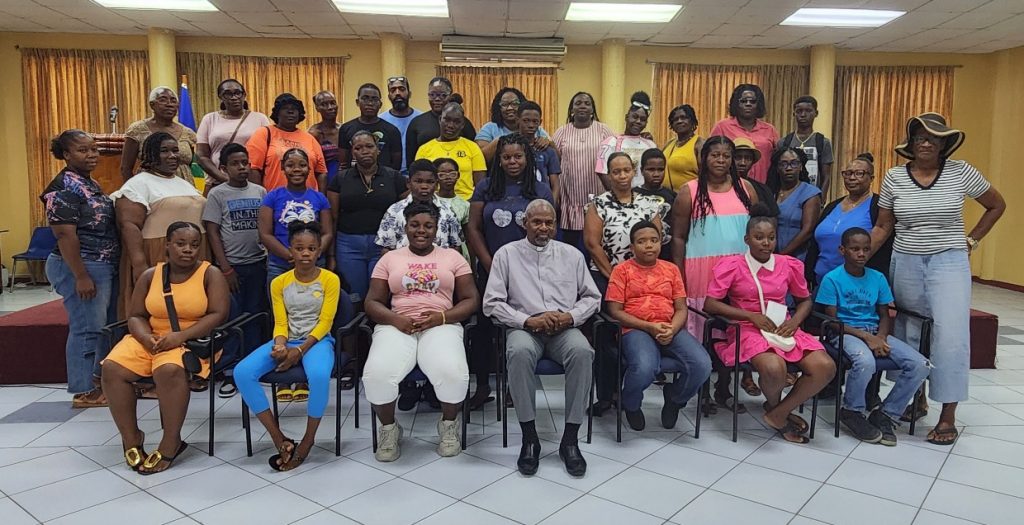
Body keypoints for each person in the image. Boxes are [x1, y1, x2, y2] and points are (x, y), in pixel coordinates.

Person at [871, 113, 1006, 445]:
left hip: (949, 261)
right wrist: (847, 260)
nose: (926, 143)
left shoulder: (961, 171)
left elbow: (996, 205)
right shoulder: (894, 177)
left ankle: (947, 415)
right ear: (911, 143)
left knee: (950, 335)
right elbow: (884, 226)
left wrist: (971, 241)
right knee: (909, 330)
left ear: (944, 144)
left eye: (934, 138)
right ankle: (914, 398)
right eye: (920, 137)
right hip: (905, 259)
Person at [483, 199, 601, 477]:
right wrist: (527, 320)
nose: (543, 228)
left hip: (564, 329)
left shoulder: (571, 255)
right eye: (537, 222)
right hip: (524, 328)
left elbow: (592, 298)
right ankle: (530, 439)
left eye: (549, 222)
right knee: (519, 352)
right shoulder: (506, 255)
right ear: (525, 223)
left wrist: (570, 316)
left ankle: (570, 440)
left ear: (556, 225)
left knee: (583, 352)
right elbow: (492, 303)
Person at [101, 222, 229, 474]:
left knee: (168, 370)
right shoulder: (150, 275)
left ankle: (172, 440)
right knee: (112, 368)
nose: (188, 250)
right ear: (167, 245)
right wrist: (145, 337)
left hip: (192, 340)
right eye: (181, 244)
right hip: (150, 337)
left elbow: (218, 314)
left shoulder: (210, 273)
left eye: (194, 245)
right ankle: (131, 437)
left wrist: (180, 336)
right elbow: (135, 315)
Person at [703, 205, 836, 444]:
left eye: (771, 237)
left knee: (825, 367)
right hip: (746, 328)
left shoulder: (788, 264)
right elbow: (710, 304)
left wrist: (795, 321)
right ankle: (777, 408)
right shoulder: (732, 265)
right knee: (774, 368)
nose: (766, 243)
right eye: (759, 237)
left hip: (782, 326)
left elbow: (805, 300)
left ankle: (778, 412)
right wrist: (749, 316)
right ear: (747, 240)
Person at [363, 202, 479, 461]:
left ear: (437, 228)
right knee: (376, 375)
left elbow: (471, 299)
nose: (421, 231)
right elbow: (371, 302)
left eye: (428, 226)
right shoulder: (390, 259)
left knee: (453, 373)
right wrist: (395, 319)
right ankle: (389, 429)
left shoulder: (453, 257)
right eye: (415, 225)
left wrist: (442, 317)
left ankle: (448, 426)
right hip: (397, 325)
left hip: (441, 324)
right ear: (405, 227)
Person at [234, 220, 341, 471]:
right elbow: (280, 322)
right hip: (287, 338)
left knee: (318, 375)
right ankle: (279, 439)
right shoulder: (279, 282)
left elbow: (326, 322)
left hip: (317, 341)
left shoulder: (330, 280)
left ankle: (307, 441)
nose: (305, 254)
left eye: (311, 249)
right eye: (299, 248)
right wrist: (281, 345)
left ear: (319, 251)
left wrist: (300, 351)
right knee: (242, 372)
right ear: (290, 250)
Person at [815, 227, 929, 446]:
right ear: (842, 250)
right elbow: (833, 322)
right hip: (844, 332)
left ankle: (886, 414)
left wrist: (881, 337)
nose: (861, 254)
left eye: (866, 249)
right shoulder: (832, 279)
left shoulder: (877, 277)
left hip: (875, 331)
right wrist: (868, 338)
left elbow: (884, 314)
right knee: (865, 362)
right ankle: (852, 410)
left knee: (920, 364)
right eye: (855, 249)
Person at [670, 136, 757, 413]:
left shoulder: (746, 189)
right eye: (714, 155)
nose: (720, 160)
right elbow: (678, 237)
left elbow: (756, 230)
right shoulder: (689, 191)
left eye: (726, 155)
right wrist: (679, 276)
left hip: (739, 271)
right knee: (703, 331)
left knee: (732, 331)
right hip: (701, 270)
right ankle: (702, 391)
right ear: (704, 158)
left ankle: (724, 389)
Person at [606, 220, 711, 431]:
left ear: (660, 243)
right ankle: (631, 404)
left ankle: (675, 398)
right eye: (642, 241)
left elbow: (681, 308)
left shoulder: (671, 269)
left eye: (654, 240)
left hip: (669, 327)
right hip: (635, 329)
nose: (649, 245)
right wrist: (649, 327)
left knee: (702, 365)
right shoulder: (621, 270)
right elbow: (615, 311)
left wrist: (672, 328)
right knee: (645, 367)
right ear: (632, 247)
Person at [42, 130, 119, 408]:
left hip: (100, 262)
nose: (91, 155)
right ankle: (83, 390)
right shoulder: (63, 187)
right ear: (66, 154)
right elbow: (65, 235)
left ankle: (97, 381)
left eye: (93, 149)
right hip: (80, 264)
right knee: (87, 328)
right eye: (83, 150)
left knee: (101, 327)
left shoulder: (87, 182)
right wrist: (81, 276)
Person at [113, 132, 207, 312]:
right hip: (159, 254)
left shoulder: (183, 182)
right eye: (164, 151)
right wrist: (139, 264)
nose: (172, 156)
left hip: (195, 251)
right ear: (150, 154)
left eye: (175, 150)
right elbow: (129, 226)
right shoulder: (138, 184)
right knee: (162, 308)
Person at [202, 143, 267, 398]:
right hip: (232, 267)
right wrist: (226, 268)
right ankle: (230, 370)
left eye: (245, 163)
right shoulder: (217, 194)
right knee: (233, 318)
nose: (242, 168)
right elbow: (212, 232)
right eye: (235, 164)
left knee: (255, 317)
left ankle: (253, 369)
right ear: (223, 168)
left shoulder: (260, 191)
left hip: (258, 263)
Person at [326, 131, 406, 305]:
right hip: (348, 246)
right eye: (358, 148)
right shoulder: (341, 179)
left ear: (378, 149)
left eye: (369, 146)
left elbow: (406, 214)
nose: (364, 151)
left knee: (381, 296)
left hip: (384, 246)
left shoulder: (394, 177)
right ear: (352, 152)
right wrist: (331, 255)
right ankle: (355, 324)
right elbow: (332, 218)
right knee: (354, 296)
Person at [584, 152, 667, 294]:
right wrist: (615, 278)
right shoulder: (598, 204)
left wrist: (640, 275)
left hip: (642, 274)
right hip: (606, 275)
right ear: (609, 175)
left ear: (634, 172)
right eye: (616, 172)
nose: (622, 176)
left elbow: (656, 241)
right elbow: (592, 244)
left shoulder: (649, 204)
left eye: (626, 170)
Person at [807, 153, 893, 285]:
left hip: (858, 284)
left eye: (859, 173)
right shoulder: (832, 206)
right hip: (822, 282)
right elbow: (814, 245)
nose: (852, 178)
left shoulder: (879, 206)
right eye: (848, 173)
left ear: (871, 178)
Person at [552, 92, 615, 251]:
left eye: (587, 103)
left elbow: (615, 156)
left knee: (595, 245)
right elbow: (554, 162)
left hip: (597, 196)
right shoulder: (562, 132)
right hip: (569, 199)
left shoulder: (604, 130)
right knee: (570, 250)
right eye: (578, 103)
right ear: (571, 109)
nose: (582, 106)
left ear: (592, 109)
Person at [196, 79, 270, 193]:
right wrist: (225, 178)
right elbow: (201, 155)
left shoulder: (260, 118)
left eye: (237, 93)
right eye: (228, 94)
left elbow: (268, 153)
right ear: (221, 97)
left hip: (251, 184)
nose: (234, 97)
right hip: (217, 183)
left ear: (244, 95)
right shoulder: (209, 119)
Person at [246, 93, 327, 191]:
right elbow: (253, 168)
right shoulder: (264, 133)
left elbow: (321, 172)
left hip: (308, 199)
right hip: (274, 198)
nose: (290, 111)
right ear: (277, 113)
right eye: (285, 108)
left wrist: (321, 197)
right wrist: (260, 197)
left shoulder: (310, 138)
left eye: (294, 109)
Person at [376, 159, 461, 252]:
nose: (424, 186)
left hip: (440, 260)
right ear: (408, 183)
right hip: (404, 260)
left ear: (437, 184)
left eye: (430, 182)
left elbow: (455, 246)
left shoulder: (447, 210)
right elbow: (387, 248)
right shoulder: (394, 211)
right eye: (418, 181)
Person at [121, 86, 198, 185]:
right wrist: (133, 190)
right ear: (152, 105)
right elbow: (126, 168)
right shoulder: (137, 130)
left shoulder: (188, 133)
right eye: (163, 100)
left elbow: (192, 164)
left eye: (173, 101)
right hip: (149, 187)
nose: (169, 104)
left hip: (183, 187)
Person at [414, 102, 487, 200]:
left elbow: (481, 185)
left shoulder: (472, 147)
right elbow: (418, 183)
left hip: (466, 201)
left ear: (462, 125)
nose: (451, 125)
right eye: (447, 120)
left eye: (456, 122)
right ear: (440, 119)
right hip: (433, 202)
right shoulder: (424, 149)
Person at [710, 84, 778, 184]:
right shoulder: (722, 127)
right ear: (736, 104)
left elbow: (777, 159)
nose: (748, 104)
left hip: (763, 185)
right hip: (729, 185)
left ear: (758, 105)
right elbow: (711, 157)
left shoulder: (770, 129)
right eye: (743, 101)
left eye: (752, 101)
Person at [406, 76, 478, 168]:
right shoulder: (417, 123)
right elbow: (411, 160)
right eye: (432, 95)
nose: (437, 99)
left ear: (450, 96)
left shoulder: (463, 123)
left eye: (442, 95)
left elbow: (472, 150)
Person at [595, 91, 657, 189]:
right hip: (619, 195)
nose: (638, 121)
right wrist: (618, 194)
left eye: (643, 119)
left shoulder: (650, 145)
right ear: (626, 117)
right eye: (635, 117)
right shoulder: (610, 142)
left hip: (645, 196)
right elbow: (602, 172)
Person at [339, 83, 403, 171]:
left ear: (380, 104)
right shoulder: (346, 128)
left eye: (374, 99)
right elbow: (343, 164)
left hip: (385, 178)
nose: (370, 103)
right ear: (357, 102)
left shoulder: (392, 130)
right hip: (354, 177)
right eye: (365, 98)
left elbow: (396, 165)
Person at [476, 87, 551, 162]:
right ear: (498, 108)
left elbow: (554, 156)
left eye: (515, 104)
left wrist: (548, 142)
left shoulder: (535, 128)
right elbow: (480, 157)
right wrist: (500, 141)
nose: (509, 108)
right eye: (504, 104)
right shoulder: (489, 128)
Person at [772, 147, 822, 261]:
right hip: (771, 255)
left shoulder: (810, 193)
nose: (789, 168)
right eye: (783, 164)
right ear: (777, 168)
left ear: (801, 167)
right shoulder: (772, 191)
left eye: (794, 163)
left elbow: (808, 231)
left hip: (798, 257)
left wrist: (782, 255)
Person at [778, 96, 834, 195]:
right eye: (799, 111)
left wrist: (821, 199)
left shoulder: (822, 142)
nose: (803, 115)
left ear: (816, 113)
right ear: (794, 114)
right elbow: (778, 173)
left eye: (808, 111)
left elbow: (826, 176)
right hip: (788, 195)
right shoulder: (784, 142)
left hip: (813, 195)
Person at [635, 148, 676, 261]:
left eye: (660, 169)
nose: (656, 174)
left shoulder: (672, 196)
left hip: (667, 253)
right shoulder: (633, 195)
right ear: (642, 170)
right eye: (651, 169)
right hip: (641, 253)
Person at [517, 101, 561, 205]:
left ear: (540, 122)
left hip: (541, 203)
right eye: (526, 121)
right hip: (516, 202)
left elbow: (555, 185)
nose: (531, 125)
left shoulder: (548, 151)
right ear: (518, 120)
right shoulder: (509, 149)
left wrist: (551, 206)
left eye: (535, 121)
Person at [379, 76, 423, 176]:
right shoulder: (381, 120)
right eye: (393, 90)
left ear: (409, 94)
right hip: (389, 174)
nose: (397, 93)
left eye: (402, 89)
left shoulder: (421, 118)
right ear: (389, 96)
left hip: (416, 174)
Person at [661, 104, 704, 192]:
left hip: (690, 196)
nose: (679, 121)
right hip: (666, 197)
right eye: (675, 119)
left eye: (683, 118)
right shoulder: (669, 144)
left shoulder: (699, 144)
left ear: (692, 121)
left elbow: (706, 175)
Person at [434, 157, 471, 255]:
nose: (448, 177)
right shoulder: (430, 201)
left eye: (452, 173)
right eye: (442, 174)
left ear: (458, 175)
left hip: (457, 253)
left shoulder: (465, 205)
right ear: (436, 177)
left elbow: (468, 237)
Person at [733, 137, 778, 217]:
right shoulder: (720, 187)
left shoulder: (763, 190)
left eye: (747, 158)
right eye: (738, 157)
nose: (742, 163)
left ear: (753, 161)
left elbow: (772, 218)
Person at [307, 90, 342, 187]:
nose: (330, 107)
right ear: (317, 108)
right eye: (324, 104)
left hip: (345, 181)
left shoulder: (344, 129)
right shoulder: (313, 133)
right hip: (324, 183)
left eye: (332, 103)